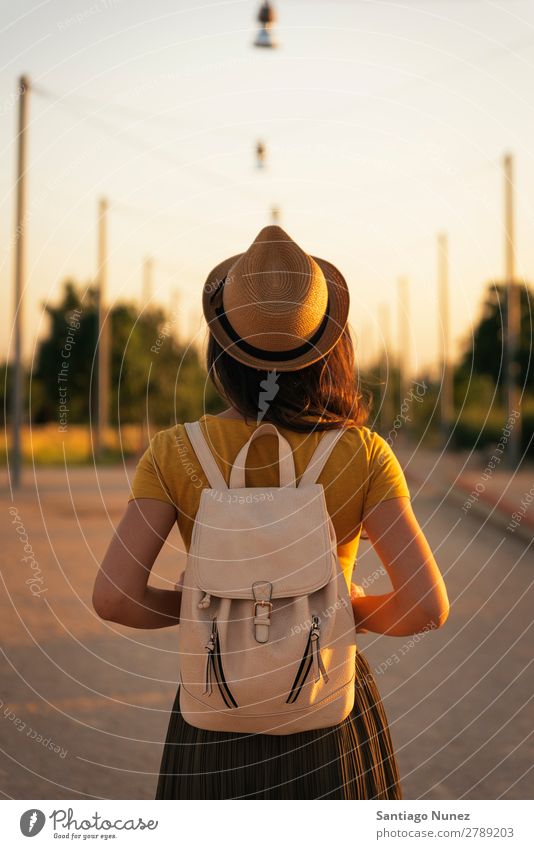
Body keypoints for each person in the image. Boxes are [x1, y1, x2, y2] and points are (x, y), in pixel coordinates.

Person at [92, 225, 449, 800]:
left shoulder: (174, 452)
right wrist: (335, 607)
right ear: (331, 350)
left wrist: (199, 603)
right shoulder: (363, 454)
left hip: (215, 707)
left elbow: (114, 597)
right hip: (324, 708)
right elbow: (425, 607)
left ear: (222, 350)